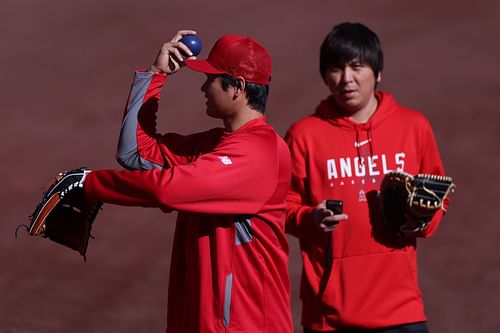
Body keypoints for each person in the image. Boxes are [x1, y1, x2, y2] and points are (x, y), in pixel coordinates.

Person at [82, 30, 293, 332]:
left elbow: (165, 190)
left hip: (246, 326)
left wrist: (91, 184)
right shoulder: (211, 145)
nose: (204, 87)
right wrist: (155, 75)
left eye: (211, 79)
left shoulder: (261, 152)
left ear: (238, 88)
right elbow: (136, 154)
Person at [285, 22, 450, 332]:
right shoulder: (303, 136)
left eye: (356, 66)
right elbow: (280, 206)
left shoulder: (413, 127)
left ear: (378, 72)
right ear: (325, 75)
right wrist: (309, 218)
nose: (346, 78)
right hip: (329, 316)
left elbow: (439, 195)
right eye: (336, 68)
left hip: (402, 310)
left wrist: (421, 219)